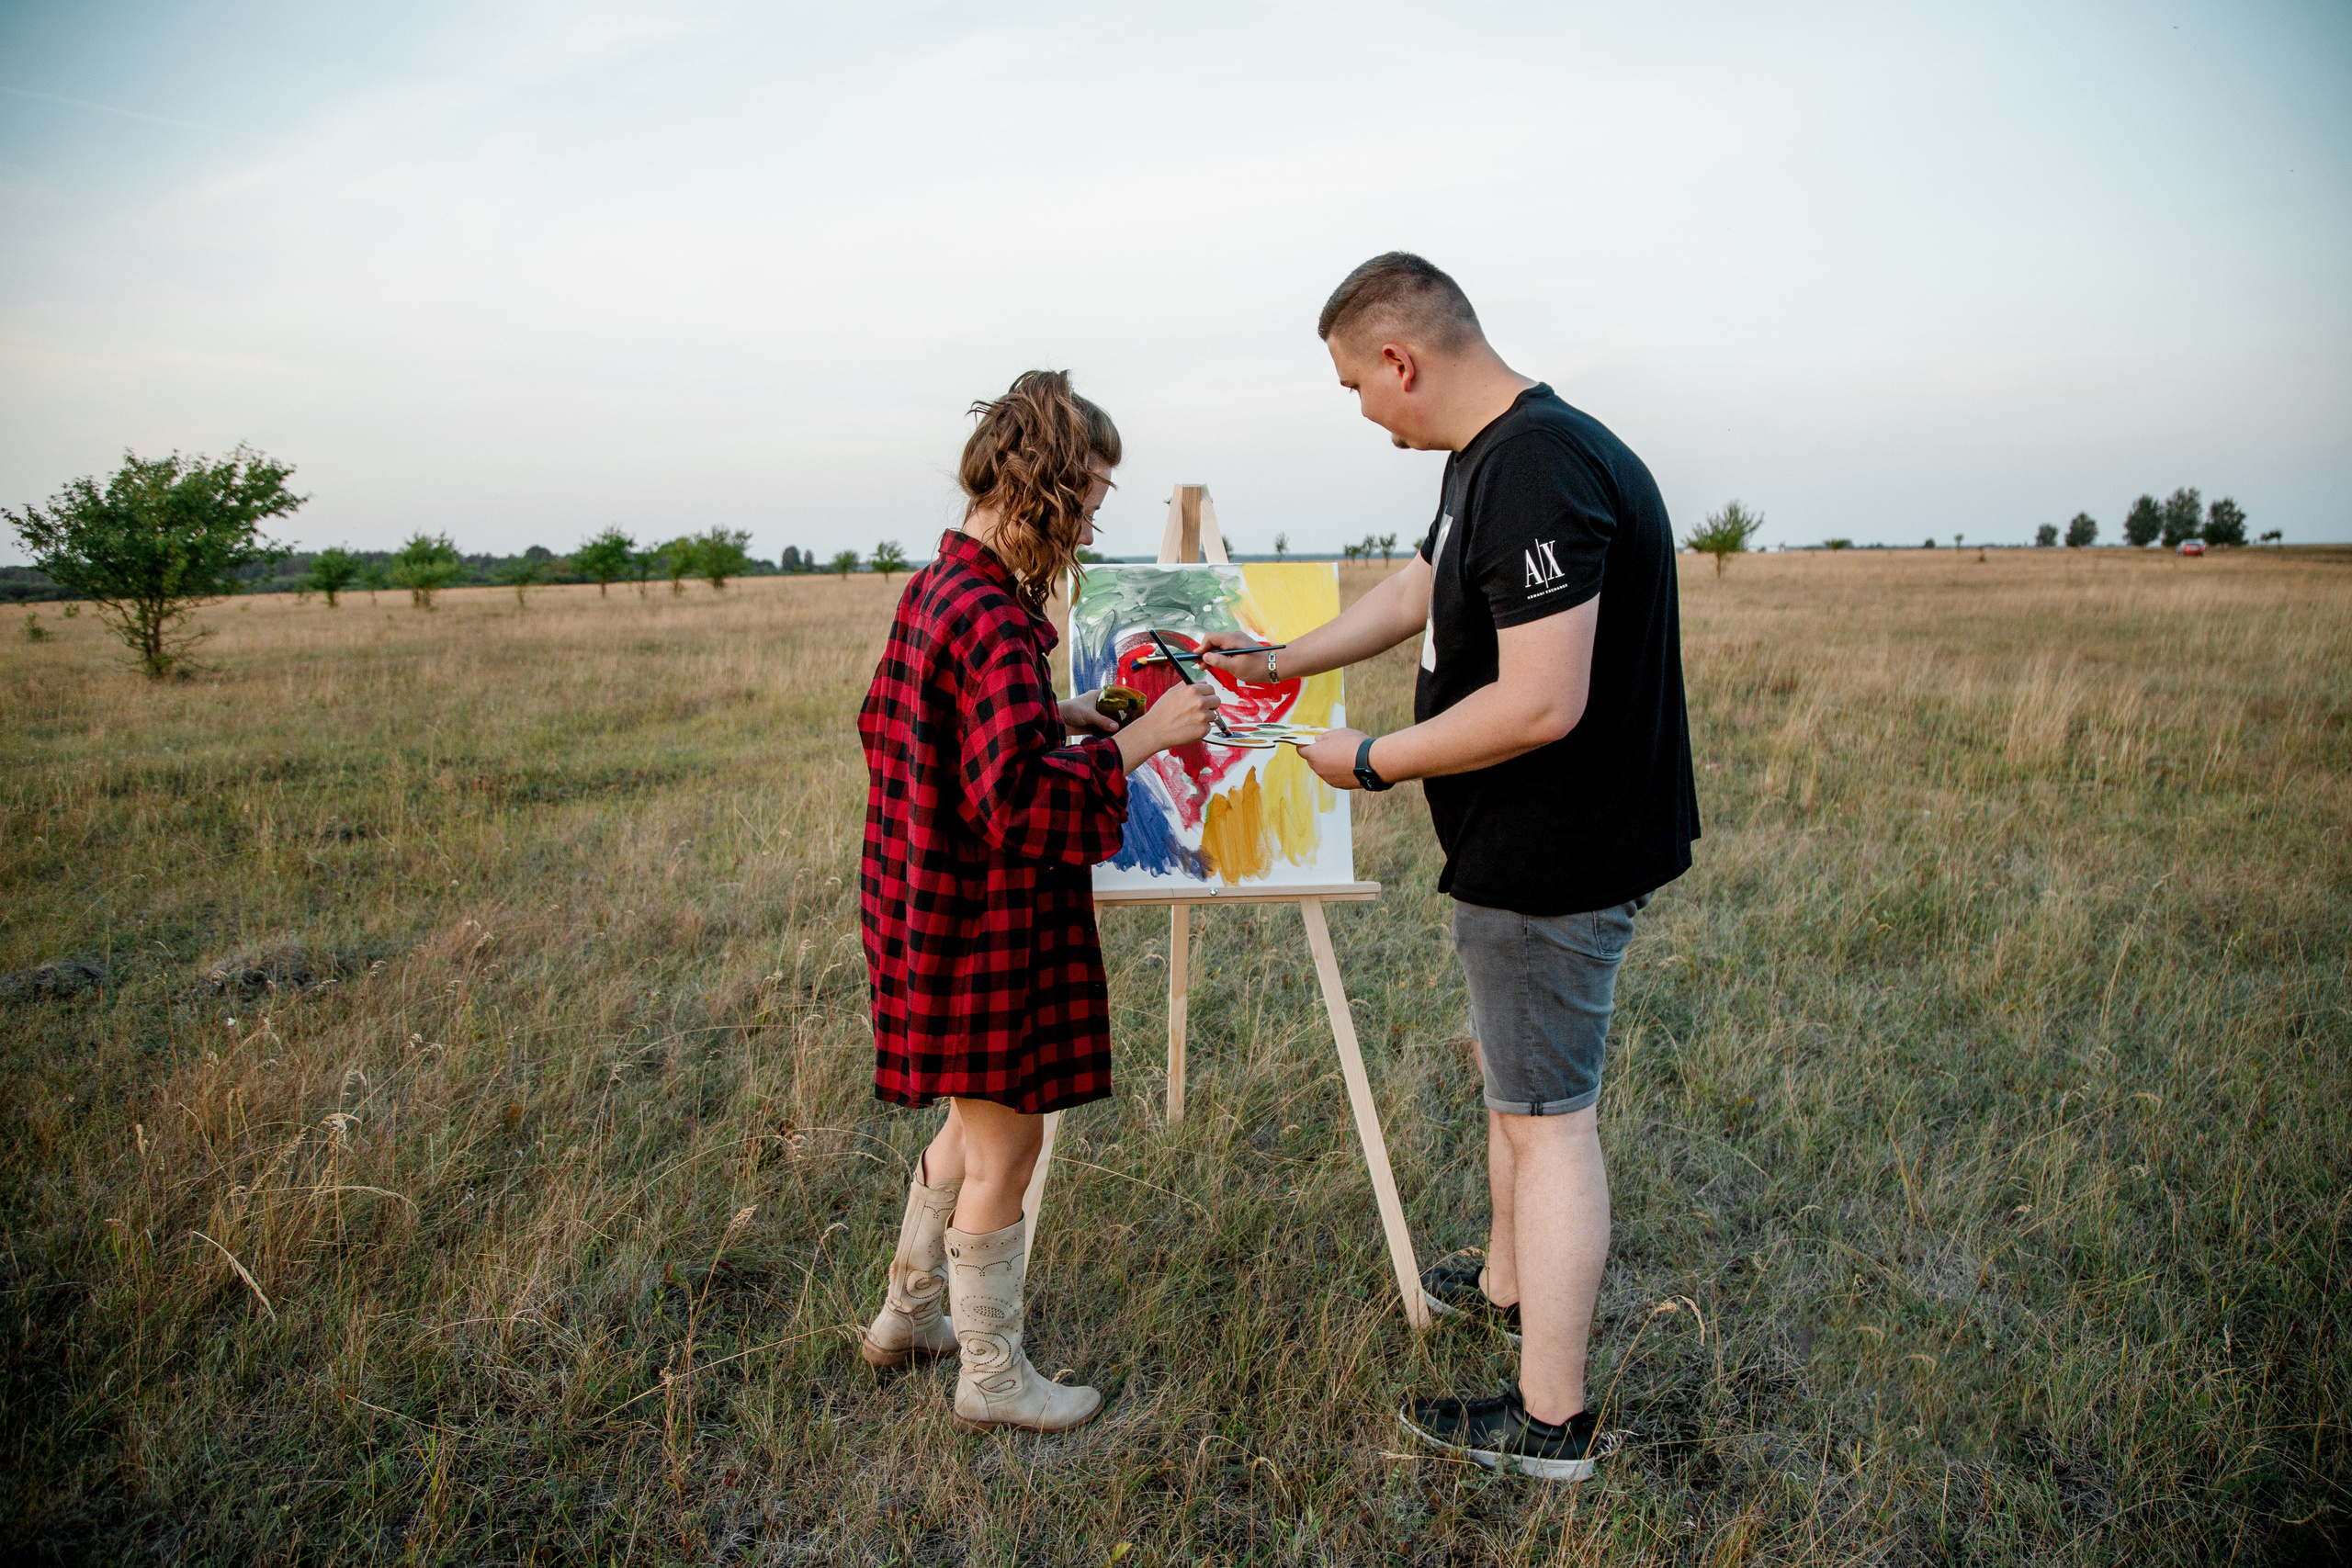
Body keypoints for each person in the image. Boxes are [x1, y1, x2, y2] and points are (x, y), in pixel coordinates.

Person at [1202, 254, 1700, 1480]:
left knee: (1550, 1123)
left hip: (1556, 859)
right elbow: (1424, 586)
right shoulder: (1490, 457)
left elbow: (1541, 701)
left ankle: (1551, 1423)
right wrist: (1286, 659)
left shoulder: (1535, 464)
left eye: (1351, 386)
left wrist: (1371, 756)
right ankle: (1503, 1278)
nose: (1360, 411)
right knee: (1517, 1092)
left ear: (1401, 362)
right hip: (1522, 854)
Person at [855, 369, 1221, 1434]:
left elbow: (934, 736)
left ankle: (906, 1318)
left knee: (973, 1130)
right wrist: (1146, 736)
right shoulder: (988, 612)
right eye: (1094, 493)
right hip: (981, 923)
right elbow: (1009, 800)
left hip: (933, 909)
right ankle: (991, 1375)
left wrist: (1054, 711)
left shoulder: (944, 587)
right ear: (1050, 484)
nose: (1099, 514)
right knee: (1007, 1148)